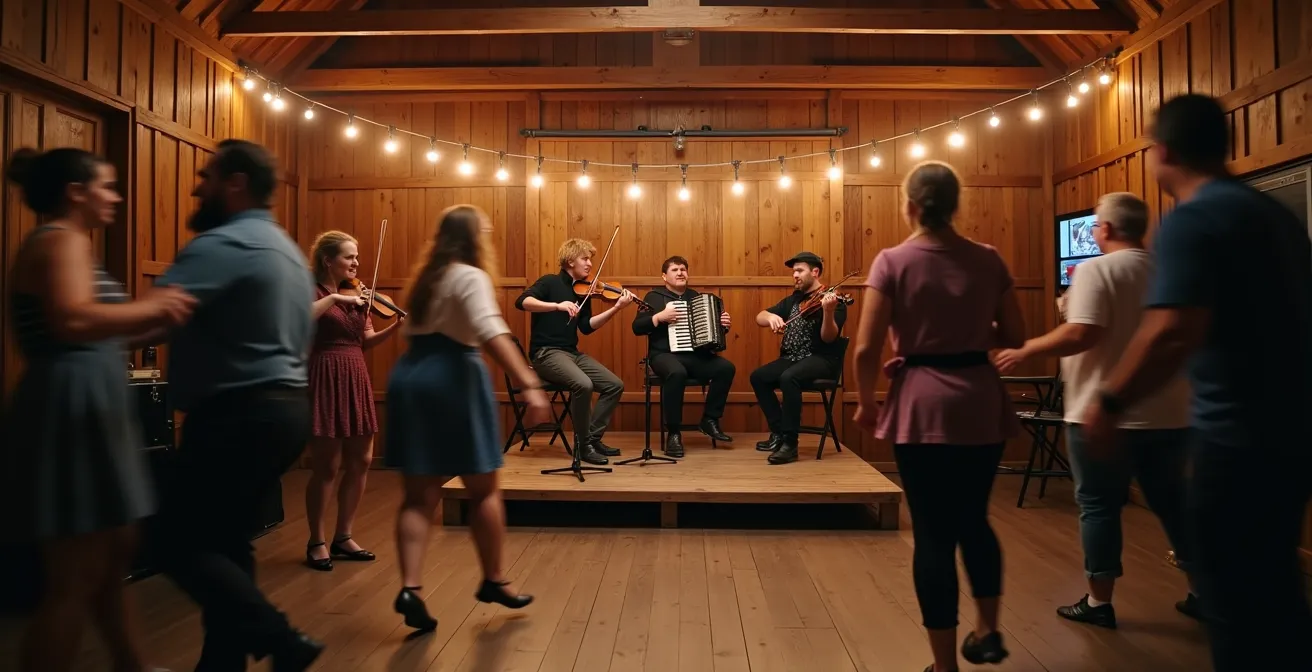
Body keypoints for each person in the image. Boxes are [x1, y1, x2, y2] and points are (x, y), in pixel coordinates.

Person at [1084, 94, 1312, 671]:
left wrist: (1109, 401)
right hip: (1294, 430)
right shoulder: (1275, 216)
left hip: (1235, 435)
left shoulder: (1193, 217)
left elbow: (1172, 332)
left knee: (1234, 606)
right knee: (1276, 592)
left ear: (1163, 151)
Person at [2, 148, 196, 672]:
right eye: (107, 186)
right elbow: (71, 321)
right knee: (76, 573)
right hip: (70, 408)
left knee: (112, 554)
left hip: (91, 404)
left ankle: (133, 665)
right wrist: (155, 305)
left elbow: (107, 330)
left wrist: (167, 321)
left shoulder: (73, 245)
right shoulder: (59, 239)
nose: (115, 197)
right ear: (75, 192)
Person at [152, 139, 323, 671]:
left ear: (236, 183)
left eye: (206, 175)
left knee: (173, 540)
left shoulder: (222, 243)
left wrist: (80, 325)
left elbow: (160, 315)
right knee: (227, 542)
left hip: (236, 414)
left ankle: (280, 638)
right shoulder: (284, 247)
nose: (195, 185)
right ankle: (221, 663)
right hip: (285, 409)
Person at [995, 192, 1198, 628]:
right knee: (1175, 504)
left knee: (1099, 506)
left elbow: (1081, 334)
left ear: (1103, 229)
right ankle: (1203, 593)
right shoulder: (1167, 269)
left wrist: (1026, 348)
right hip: (1169, 412)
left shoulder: (1094, 270)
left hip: (1100, 411)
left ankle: (1099, 600)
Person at [851, 160, 1024, 672]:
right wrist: (966, 334)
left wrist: (864, 401)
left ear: (909, 206)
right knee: (974, 520)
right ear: (957, 206)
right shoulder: (988, 259)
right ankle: (988, 632)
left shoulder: (893, 261)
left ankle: (944, 666)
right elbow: (1014, 336)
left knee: (931, 533)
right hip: (980, 398)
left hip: (921, 401)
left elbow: (865, 349)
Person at [385, 205, 547, 633]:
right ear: (475, 239)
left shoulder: (425, 280)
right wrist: (529, 383)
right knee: (484, 488)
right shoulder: (469, 275)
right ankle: (495, 579)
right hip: (452, 375)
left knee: (419, 495)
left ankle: (410, 588)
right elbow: (490, 329)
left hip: (410, 375)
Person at [301, 230, 404, 571]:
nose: (357, 263)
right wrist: (335, 300)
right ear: (328, 260)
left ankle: (343, 536)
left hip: (355, 373)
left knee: (362, 459)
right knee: (327, 466)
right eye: (349, 256)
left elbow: (366, 340)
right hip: (325, 372)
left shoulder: (359, 294)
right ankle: (316, 540)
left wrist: (397, 327)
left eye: (358, 257)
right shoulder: (313, 291)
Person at [514, 238, 636, 465]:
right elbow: (522, 301)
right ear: (570, 260)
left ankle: (592, 438)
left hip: (571, 353)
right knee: (584, 384)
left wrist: (617, 309)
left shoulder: (584, 291)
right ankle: (583, 445)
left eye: (591, 259)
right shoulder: (550, 282)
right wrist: (557, 305)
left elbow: (587, 327)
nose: (590, 264)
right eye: (585, 258)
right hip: (546, 353)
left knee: (614, 385)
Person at [631, 255, 735, 457]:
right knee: (676, 373)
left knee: (726, 368)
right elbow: (637, 327)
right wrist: (658, 317)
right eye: (675, 270)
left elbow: (711, 334)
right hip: (663, 354)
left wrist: (723, 326)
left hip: (694, 355)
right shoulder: (653, 297)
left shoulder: (696, 297)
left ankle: (710, 419)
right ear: (664, 276)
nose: (680, 273)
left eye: (683, 269)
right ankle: (674, 432)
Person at [750, 251, 847, 465]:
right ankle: (778, 433)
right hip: (792, 358)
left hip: (821, 359)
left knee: (788, 378)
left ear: (815, 272)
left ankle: (790, 444)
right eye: (794, 271)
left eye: (799, 270)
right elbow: (760, 317)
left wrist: (828, 313)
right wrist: (771, 317)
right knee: (758, 377)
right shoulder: (794, 300)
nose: (795, 275)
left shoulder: (833, 301)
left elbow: (829, 338)